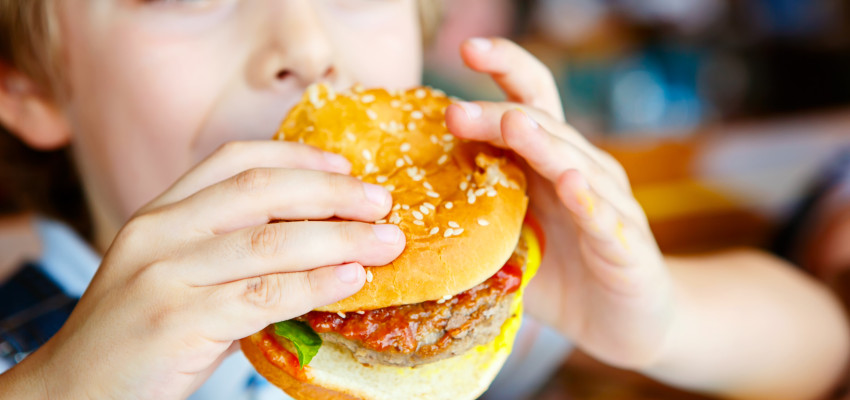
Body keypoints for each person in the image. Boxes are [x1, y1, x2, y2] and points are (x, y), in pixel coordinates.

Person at [0, 2, 846, 400]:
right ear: (30, 82)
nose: (306, 44)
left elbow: (820, 349)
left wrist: (659, 322)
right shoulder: (30, 345)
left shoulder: (437, 303)